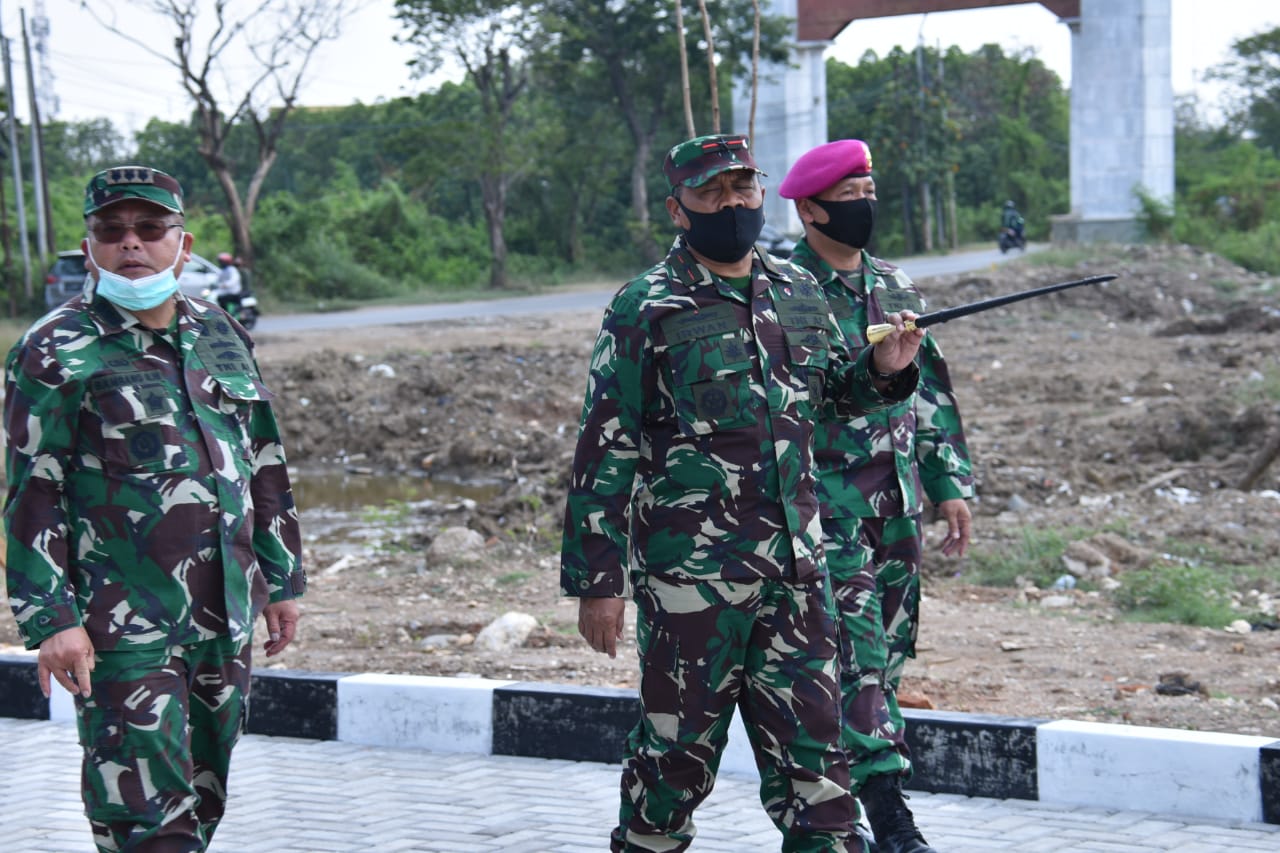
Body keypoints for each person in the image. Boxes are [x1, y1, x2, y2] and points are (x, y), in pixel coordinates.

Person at [560, 133, 926, 853]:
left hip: (797, 577)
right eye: (712, 192)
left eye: (743, 187)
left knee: (821, 775)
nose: (732, 202)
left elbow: (827, 399)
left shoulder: (799, 290)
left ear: (763, 193)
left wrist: (883, 369)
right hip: (694, 585)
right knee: (673, 769)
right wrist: (597, 581)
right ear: (678, 208)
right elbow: (606, 445)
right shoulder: (647, 305)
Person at [3, 165, 306, 852]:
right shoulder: (54, 349)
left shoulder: (222, 331)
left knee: (203, 797)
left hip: (224, 614)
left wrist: (281, 579)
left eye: (149, 228)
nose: (130, 243)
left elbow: (262, 456)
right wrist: (51, 619)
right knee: (146, 820)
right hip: (121, 627)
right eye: (111, 231)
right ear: (90, 247)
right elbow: (31, 493)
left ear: (183, 241)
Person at [778, 139, 974, 853]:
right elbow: (796, 396)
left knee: (885, 658)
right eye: (850, 192)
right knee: (856, 657)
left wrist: (948, 482)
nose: (864, 202)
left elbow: (929, 393)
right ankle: (889, 815)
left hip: (896, 505)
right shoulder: (782, 290)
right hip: (825, 506)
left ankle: (836, 808)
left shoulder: (894, 285)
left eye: (870, 189)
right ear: (808, 207)